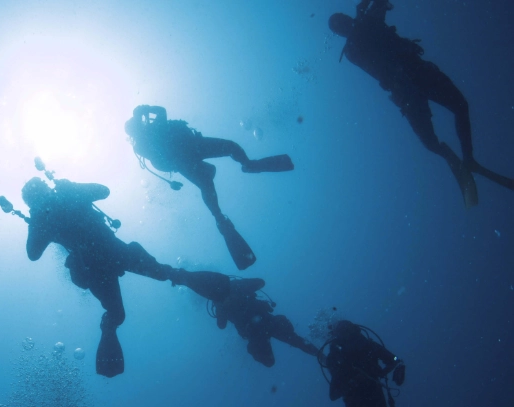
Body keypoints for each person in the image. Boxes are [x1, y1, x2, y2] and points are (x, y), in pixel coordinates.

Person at [19, 175, 234, 378]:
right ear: (33, 203)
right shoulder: (42, 220)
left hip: (111, 256)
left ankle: (194, 282)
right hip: (95, 268)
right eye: (36, 196)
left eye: (42, 191)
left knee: (162, 274)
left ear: (48, 188)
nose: (43, 196)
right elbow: (33, 254)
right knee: (120, 312)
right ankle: (109, 326)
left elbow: (103, 191)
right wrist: (36, 223)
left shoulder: (66, 195)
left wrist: (74, 188)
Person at [329, 0, 514, 208]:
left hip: (412, 81)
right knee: (436, 134)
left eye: (343, 23)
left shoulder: (361, 30)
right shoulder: (357, 40)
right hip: (409, 86)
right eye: (341, 27)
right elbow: (368, 35)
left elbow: (374, 17)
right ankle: (460, 157)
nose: (346, 27)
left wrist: (366, 10)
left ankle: (466, 158)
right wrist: (364, 11)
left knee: (457, 111)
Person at [124, 105, 294, 270]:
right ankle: (220, 215)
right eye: (137, 125)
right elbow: (160, 116)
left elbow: (161, 112)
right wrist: (145, 111)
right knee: (212, 175)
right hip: (186, 157)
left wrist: (145, 109)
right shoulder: (142, 143)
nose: (141, 125)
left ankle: (247, 167)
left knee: (228, 151)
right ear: (135, 130)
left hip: (191, 149)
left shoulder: (150, 131)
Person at [212, 279, 319, 367]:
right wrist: (221, 307)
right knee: (269, 361)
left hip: (266, 321)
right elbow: (221, 325)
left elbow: (260, 282)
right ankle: (322, 357)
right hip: (254, 333)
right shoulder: (218, 302)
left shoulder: (235, 286)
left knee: (296, 341)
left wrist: (241, 285)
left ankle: (323, 358)